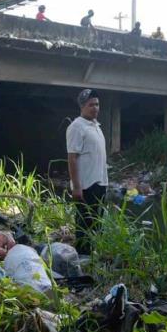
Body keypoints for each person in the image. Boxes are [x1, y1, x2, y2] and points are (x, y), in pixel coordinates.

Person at [66, 89, 108, 256]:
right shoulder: (77, 127)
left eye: (97, 104)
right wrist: (77, 187)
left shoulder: (96, 126)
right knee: (84, 225)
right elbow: (72, 158)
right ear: (82, 106)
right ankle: (83, 257)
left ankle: (93, 257)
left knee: (97, 225)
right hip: (86, 186)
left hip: (100, 183)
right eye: (91, 105)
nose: (95, 108)